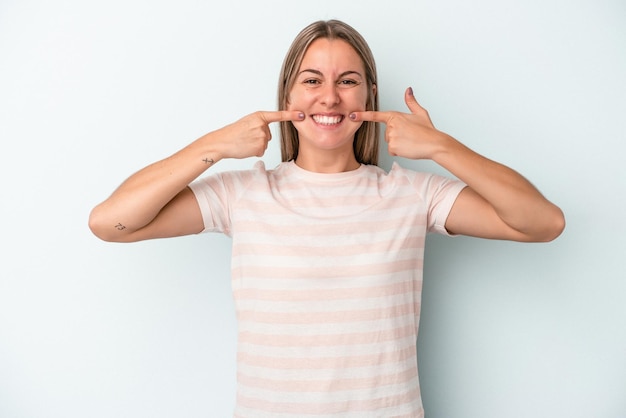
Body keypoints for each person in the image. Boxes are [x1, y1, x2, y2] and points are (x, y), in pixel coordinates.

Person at [89, 19, 564, 418]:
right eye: (312, 80)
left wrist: (440, 147)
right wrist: (214, 146)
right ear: (288, 93)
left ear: (369, 95)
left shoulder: (412, 194)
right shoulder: (244, 193)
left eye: (348, 81)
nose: (330, 97)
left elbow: (543, 223)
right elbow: (111, 222)